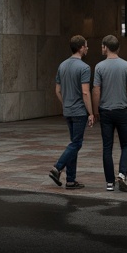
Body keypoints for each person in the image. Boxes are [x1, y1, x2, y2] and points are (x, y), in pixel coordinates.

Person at [48, 34, 94, 190]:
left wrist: (65, 104)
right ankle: (57, 167)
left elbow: (57, 90)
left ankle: (70, 180)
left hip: (67, 111)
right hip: (79, 111)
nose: (87, 48)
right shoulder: (84, 68)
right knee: (76, 143)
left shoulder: (62, 65)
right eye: (86, 46)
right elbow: (86, 92)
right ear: (81, 48)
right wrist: (91, 113)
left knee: (74, 143)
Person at [92, 34, 127, 192]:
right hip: (122, 111)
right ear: (118, 48)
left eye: (102, 46)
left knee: (107, 147)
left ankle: (109, 182)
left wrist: (95, 111)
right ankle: (122, 175)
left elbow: (96, 90)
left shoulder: (99, 67)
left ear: (105, 47)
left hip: (106, 112)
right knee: (126, 144)